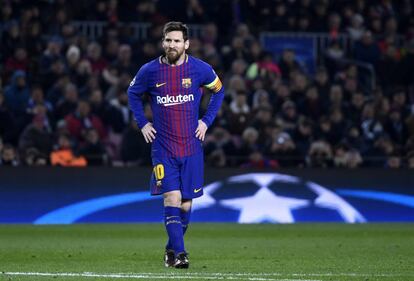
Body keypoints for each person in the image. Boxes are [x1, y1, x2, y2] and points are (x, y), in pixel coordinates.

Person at [127, 22, 224, 269]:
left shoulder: (200, 69)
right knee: (171, 196)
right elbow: (132, 94)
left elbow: (219, 91)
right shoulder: (149, 71)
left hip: (192, 147)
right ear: (163, 43)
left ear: (186, 44)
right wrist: (143, 123)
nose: (172, 45)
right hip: (163, 148)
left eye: (177, 41)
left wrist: (206, 121)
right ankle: (181, 254)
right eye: (168, 40)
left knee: (186, 203)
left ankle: (171, 248)